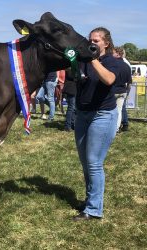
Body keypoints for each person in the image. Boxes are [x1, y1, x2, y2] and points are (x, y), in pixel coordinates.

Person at [73, 27, 120, 221]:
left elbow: (108, 79)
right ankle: (91, 199)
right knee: (86, 163)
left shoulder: (113, 62)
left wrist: (92, 59)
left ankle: (94, 210)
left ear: (106, 43)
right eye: (90, 40)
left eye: (96, 40)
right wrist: (74, 63)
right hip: (82, 114)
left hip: (102, 115)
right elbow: (77, 79)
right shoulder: (84, 60)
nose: (92, 43)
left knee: (94, 163)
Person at [112, 47, 132, 133]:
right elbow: (130, 82)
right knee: (119, 110)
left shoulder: (112, 64)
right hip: (123, 91)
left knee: (109, 110)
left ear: (117, 53)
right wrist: (127, 92)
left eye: (113, 53)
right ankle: (116, 129)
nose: (111, 54)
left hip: (113, 90)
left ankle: (111, 128)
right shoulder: (127, 66)